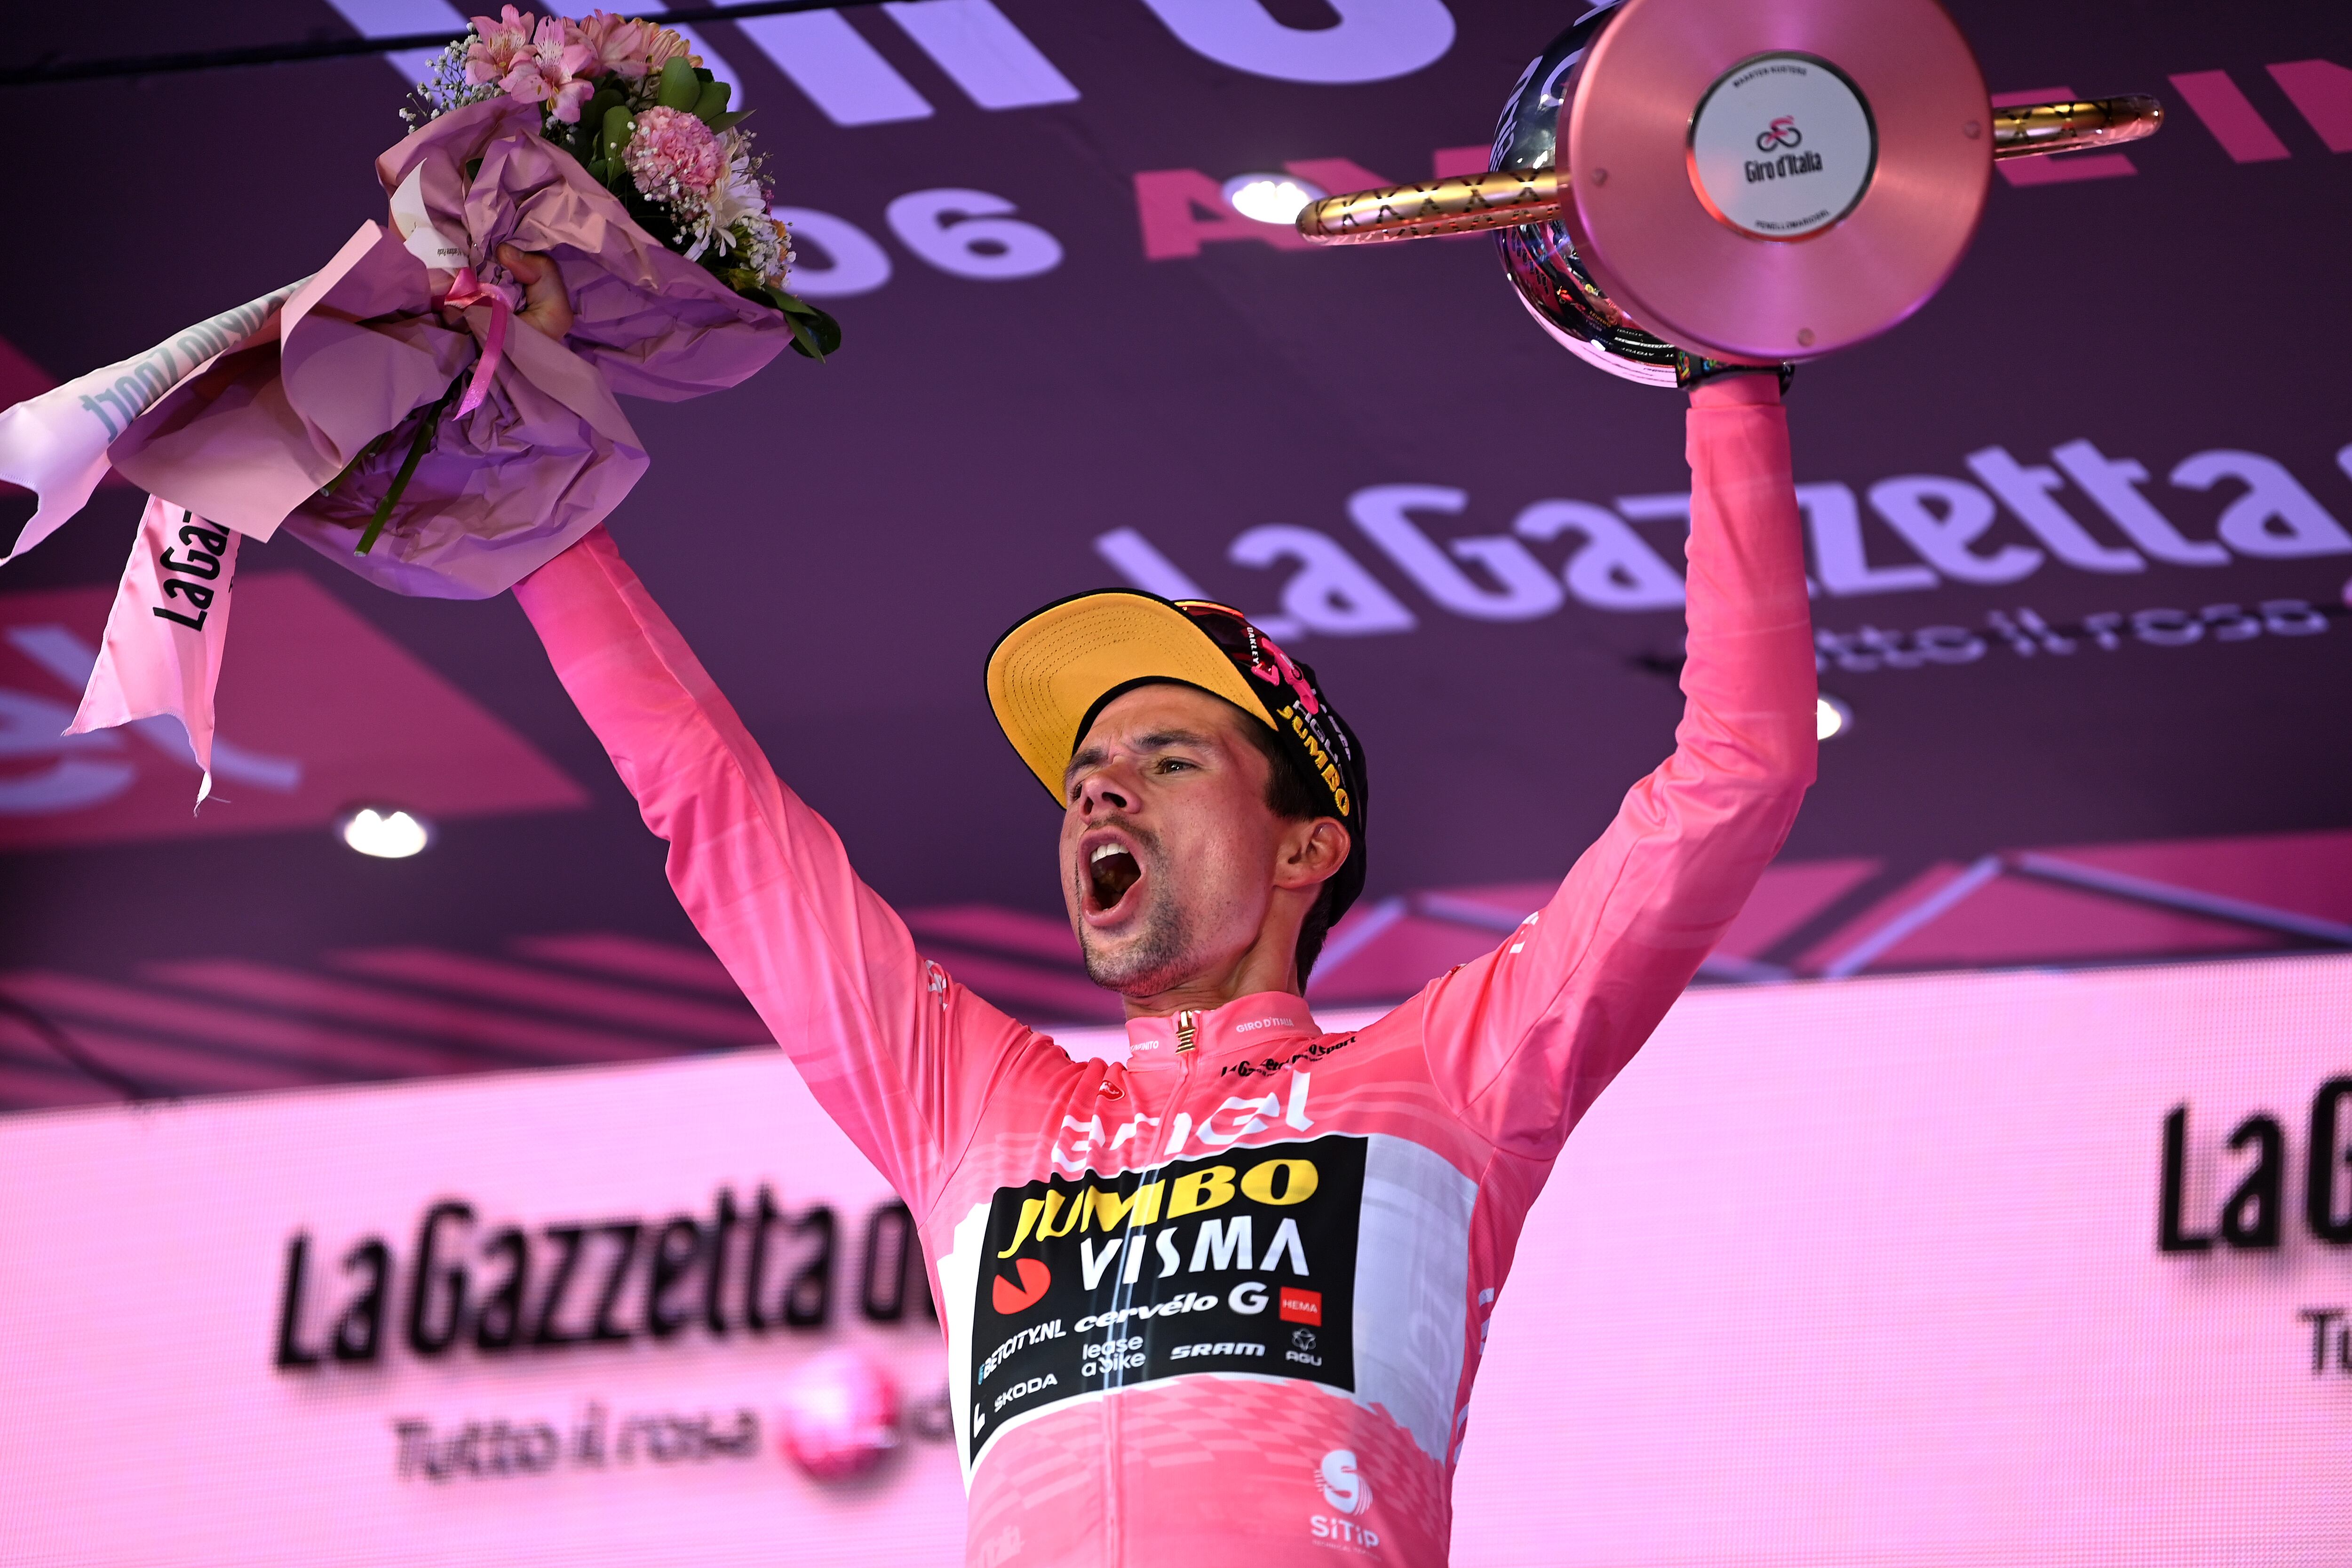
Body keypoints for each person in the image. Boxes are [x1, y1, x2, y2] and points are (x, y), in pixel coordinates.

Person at [500, 244, 1816, 1565]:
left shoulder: (1453, 1076)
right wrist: (531, 483)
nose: (1102, 796)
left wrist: (1727, 375)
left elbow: (1737, 769)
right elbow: (718, 813)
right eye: (1085, 776)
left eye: (1169, 760)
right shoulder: (977, 1106)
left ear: (1307, 848)